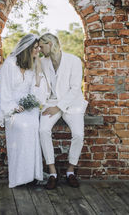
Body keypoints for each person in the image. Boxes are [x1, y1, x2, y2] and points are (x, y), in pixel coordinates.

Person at [0, 34, 47, 188]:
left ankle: (33, 174)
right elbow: (3, 90)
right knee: (22, 127)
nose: (38, 51)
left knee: (33, 125)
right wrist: (13, 107)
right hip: (12, 106)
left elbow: (36, 92)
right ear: (27, 48)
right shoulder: (10, 64)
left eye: (39, 48)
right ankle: (20, 177)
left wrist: (38, 69)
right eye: (36, 48)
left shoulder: (32, 64)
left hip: (28, 107)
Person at [38, 33, 88, 189]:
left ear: (50, 44)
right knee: (43, 130)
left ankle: (70, 171)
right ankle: (52, 172)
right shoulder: (41, 62)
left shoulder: (74, 61)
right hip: (51, 102)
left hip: (72, 103)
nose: (39, 49)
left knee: (79, 134)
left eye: (42, 46)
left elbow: (75, 88)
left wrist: (58, 107)